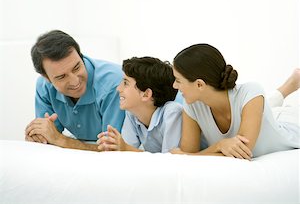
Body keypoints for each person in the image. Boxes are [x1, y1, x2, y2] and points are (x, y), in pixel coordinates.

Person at [171, 43, 300, 159]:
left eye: (178, 80)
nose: (174, 86)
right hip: (258, 113)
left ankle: (291, 84)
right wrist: (219, 146)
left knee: (277, 110)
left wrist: (195, 153)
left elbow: (242, 152)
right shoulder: (191, 106)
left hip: (290, 125)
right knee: (267, 108)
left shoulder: (250, 91)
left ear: (199, 84)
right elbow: (187, 158)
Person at [25, 30, 125, 151]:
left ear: (81, 57)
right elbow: (47, 139)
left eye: (76, 67)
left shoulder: (114, 84)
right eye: (61, 77)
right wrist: (38, 135)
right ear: (46, 78)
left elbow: (115, 150)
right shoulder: (44, 86)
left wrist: (61, 140)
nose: (74, 81)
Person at [97, 56, 182, 153]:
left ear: (146, 94)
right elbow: (127, 153)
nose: (118, 88)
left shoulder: (172, 113)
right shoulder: (132, 113)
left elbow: (171, 161)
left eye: (125, 83)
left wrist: (125, 148)